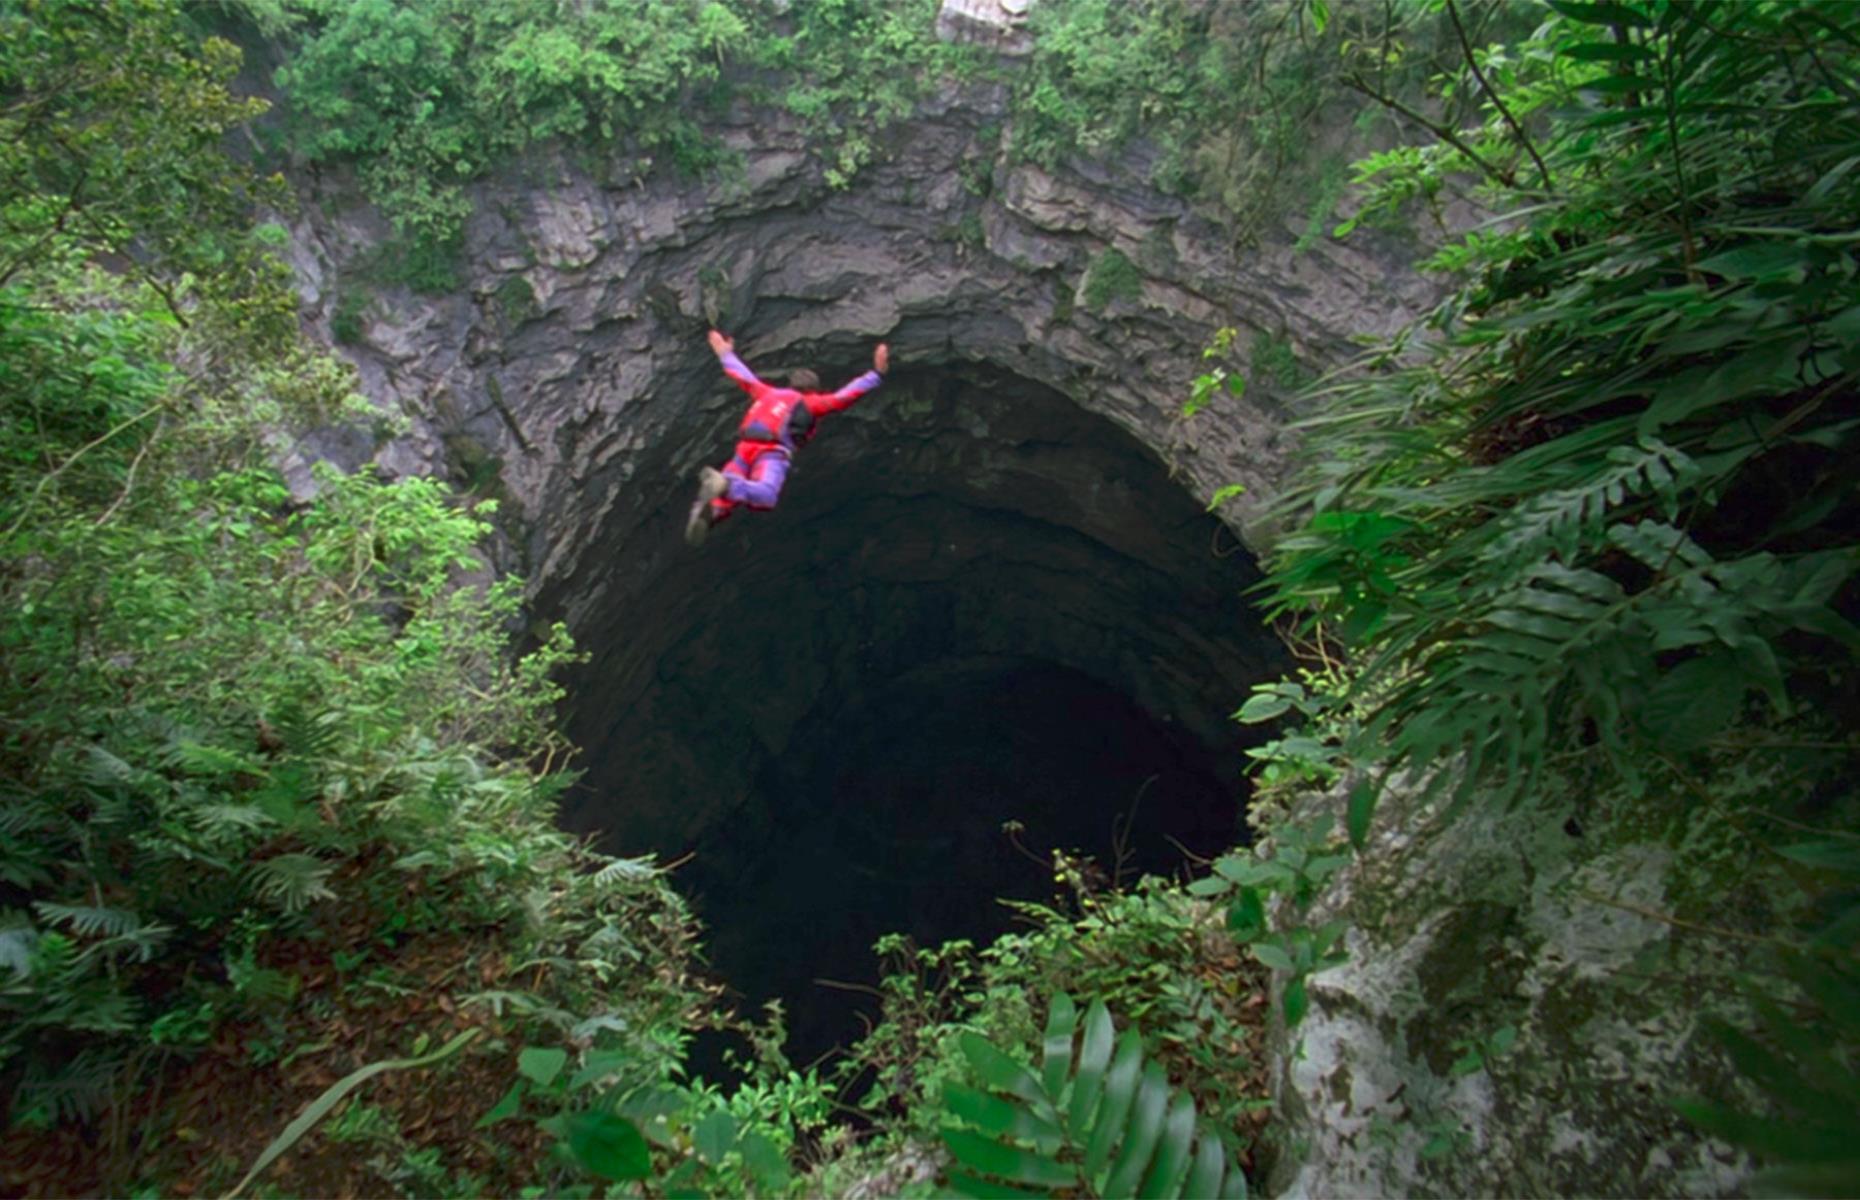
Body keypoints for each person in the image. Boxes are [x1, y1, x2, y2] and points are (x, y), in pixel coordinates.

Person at [685, 329, 890, 546]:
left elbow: (742, 374)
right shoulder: (810, 402)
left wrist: (725, 354)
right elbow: (844, 397)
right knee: (765, 496)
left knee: (728, 500)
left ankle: (709, 512)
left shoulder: (767, 392)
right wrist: (876, 375)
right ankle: (726, 485)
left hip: (743, 450)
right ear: (813, 390)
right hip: (770, 453)